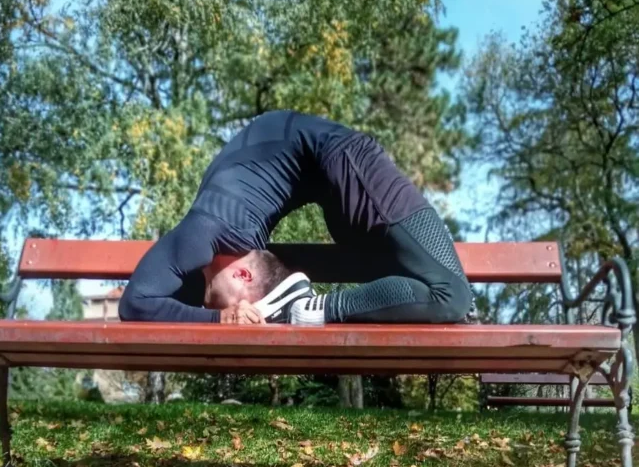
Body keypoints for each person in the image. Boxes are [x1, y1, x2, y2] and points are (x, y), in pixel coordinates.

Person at [119, 110, 472, 326]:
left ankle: (311, 309)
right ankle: (301, 304)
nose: (231, 314)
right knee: (419, 287)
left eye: (230, 307)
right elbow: (154, 305)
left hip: (343, 157)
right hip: (319, 179)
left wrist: (219, 316)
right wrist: (219, 313)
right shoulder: (221, 255)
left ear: (242, 272)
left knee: (450, 296)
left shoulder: (208, 227)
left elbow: (136, 301)